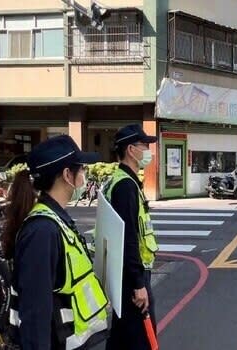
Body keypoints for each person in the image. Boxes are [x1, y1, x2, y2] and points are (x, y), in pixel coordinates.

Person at [2, 135, 109, 349]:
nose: (85, 175)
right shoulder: (42, 231)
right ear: (67, 175)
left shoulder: (55, 220)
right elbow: (34, 314)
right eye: (81, 169)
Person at [104, 124, 158, 350]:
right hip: (131, 278)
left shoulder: (124, 180)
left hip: (123, 274)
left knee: (122, 335)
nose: (148, 150)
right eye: (144, 145)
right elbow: (128, 237)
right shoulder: (125, 186)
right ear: (130, 150)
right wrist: (138, 283)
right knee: (140, 339)